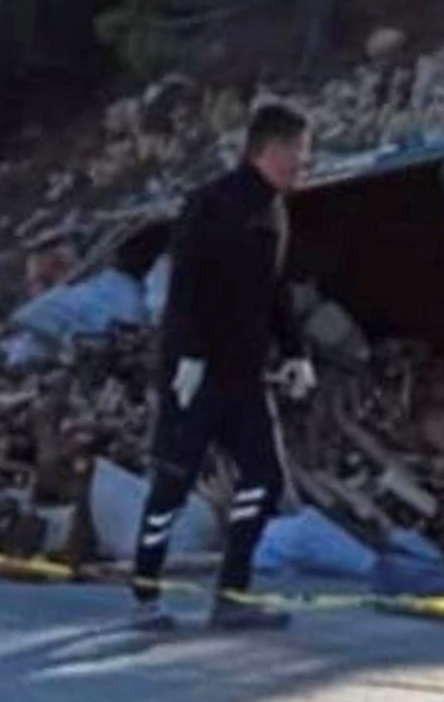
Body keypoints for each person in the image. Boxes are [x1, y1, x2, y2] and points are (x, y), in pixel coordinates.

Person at [131, 101, 319, 634]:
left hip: (245, 376)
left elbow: (274, 292)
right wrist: (186, 354)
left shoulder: (276, 212)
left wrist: (297, 352)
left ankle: (232, 594)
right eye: (297, 154)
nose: (303, 164)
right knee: (173, 480)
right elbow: (184, 283)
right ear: (270, 149)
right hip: (195, 373)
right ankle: (145, 593)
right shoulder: (210, 203)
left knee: (265, 476)